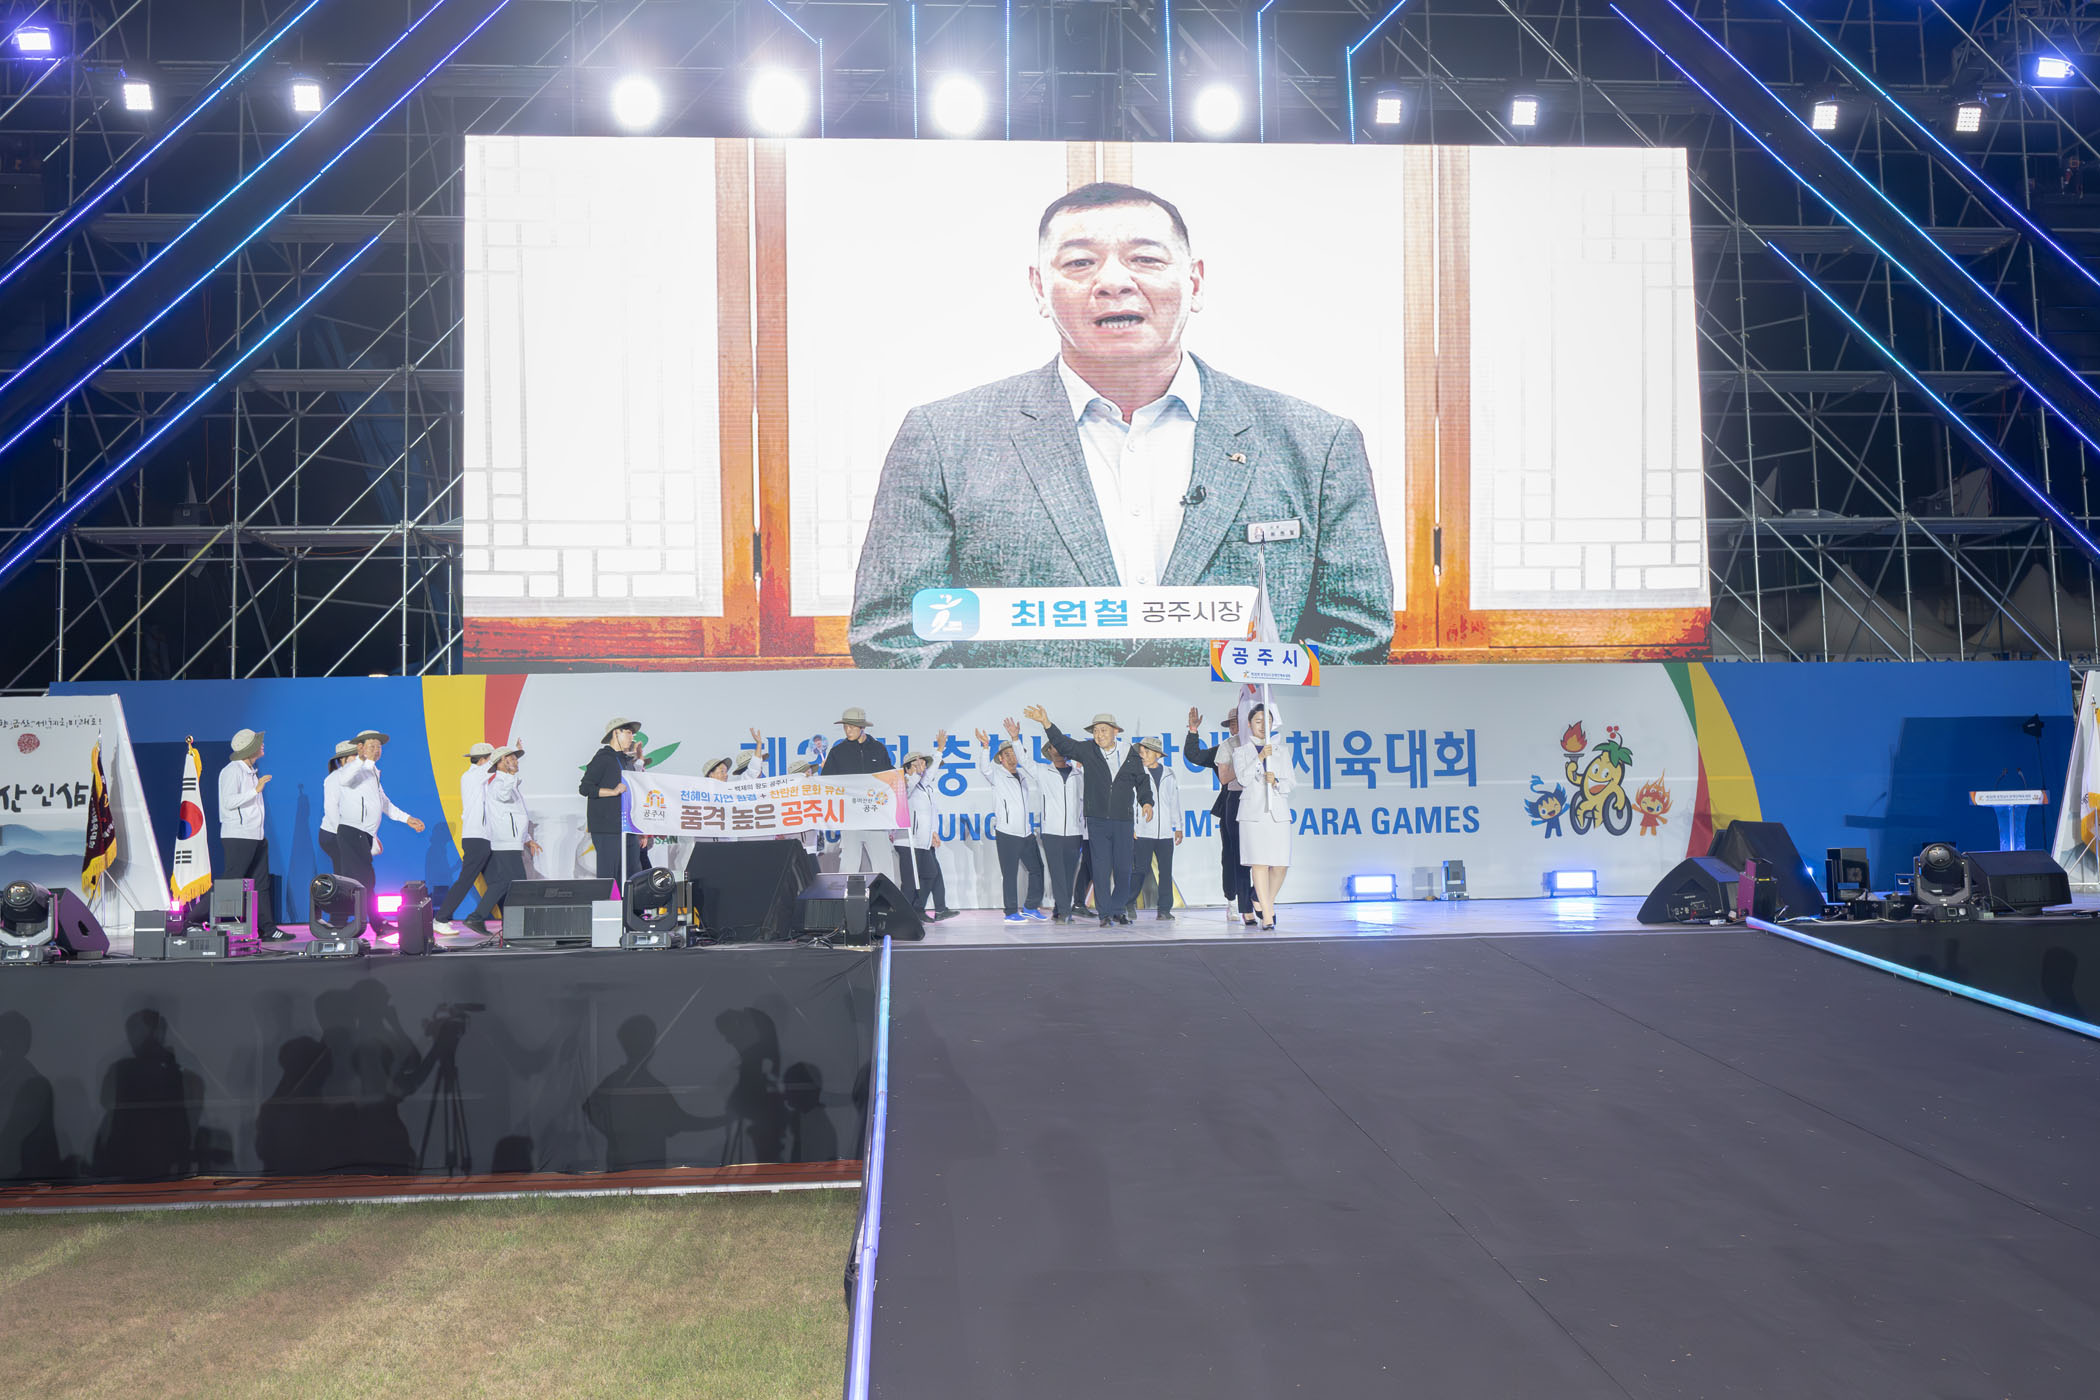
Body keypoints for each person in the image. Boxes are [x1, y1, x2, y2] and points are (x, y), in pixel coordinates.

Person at [850, 180, 1394, 669]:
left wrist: (1241, 732)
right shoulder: (943, 438)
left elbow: (1355, 635)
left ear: (1195, 282)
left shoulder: (1316, 444)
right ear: (1040, 289)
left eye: (1146, 259)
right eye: (1079, 263)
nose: (1113, 282)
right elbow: (896, 635)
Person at [1025, 706, 1153, 928]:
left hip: (1123, 820)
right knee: (1101, 869)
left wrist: (1147, 801)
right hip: (1097, 821)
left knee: (1123, 869)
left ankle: (1118, 910)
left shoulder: (1129, 753)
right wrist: (1046, 722)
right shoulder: (1088, 750)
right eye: (1095, 731)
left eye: (1103, 730)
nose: (1099, 735)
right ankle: (1105, 914)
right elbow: (1064, 744)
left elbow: (1141, 780)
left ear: (1115, 731)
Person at [335, 729, 426, 934]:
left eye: (379, 747)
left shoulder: (373, 772)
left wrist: (407, 818)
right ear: (360, 748)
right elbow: (344, 779)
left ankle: (350, 922)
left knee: (362, 881)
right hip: (352, 832)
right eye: (372, 746)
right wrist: (361, 759)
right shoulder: (353, 769)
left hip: (363, 835)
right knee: (365, 880)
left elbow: (384, 803)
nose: (377, 750)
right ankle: (372, 924)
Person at [1185, 707, 1256, 926]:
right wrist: (1193, 730)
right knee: (1231, 856)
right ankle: (1233, 901)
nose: (1235, 727)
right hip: (1230, 806)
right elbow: (1194, 756)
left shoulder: (1260, 746)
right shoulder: (1224, 748)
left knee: (1258, 856)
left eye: (1238, 723)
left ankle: (1256, 898)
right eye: (1231, 724)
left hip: (1256, 806)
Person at [464, 744, 538, 943]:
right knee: (516, 884)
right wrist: (510, 775)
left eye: (515, 758)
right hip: (505, 843)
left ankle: (508, 924)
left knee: (508, 883)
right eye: (511, 758)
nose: (515, 761)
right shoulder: (499, 783)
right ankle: (484, 918)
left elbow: (517, 815)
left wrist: (527, 839)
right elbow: (503, 795)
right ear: (501, 763)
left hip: (511, 842)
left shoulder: (508, 783)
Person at [217, 728, 284, 940]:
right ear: (248, 748)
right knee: (231, 882)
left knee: (261, 883)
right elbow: (228, 802)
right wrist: (255, 790)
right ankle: (193, 919)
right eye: (258, 742)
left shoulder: (250, 771)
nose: (262, 745)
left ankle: (268, 929)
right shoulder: (232, 771)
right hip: (238, 836)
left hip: (256, 836)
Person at [978, 719, 1048, 924]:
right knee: (1009, 874)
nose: (1012, 757)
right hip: (1007, 833)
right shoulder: (996, 775)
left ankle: (1030, 907)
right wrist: (985, 747)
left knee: (1037, 869)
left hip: (1026, 832)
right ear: (1000, 758)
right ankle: (1010, 912)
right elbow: (984, 768)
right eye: (1007, 754)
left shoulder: (1023, 776)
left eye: (1014, 753)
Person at [1233, 703, 1295, 930]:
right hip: (1253, 814)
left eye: (1267, 722)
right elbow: (1243, 779)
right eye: (1258, 721)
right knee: (1259, 863)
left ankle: (1262, 900)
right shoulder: (1241, 752)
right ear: (1249, 724)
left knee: (1280, 865)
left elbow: (1291, 783)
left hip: (1277, 813)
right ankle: (1267, 915)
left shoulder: (1282, 751)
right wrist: (1259, 758)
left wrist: (1276, 782)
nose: (1262, 726)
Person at [821, 706, 897, 880]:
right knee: (848, 865)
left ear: (862, 727)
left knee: (884, 865)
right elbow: (826, 782)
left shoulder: (878, 749)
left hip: (876, 817)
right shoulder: (838, 752)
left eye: (851, 726)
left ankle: (886, 897)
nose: (847, 730)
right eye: (845, 726)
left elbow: (889, 775)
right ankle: (846, 897)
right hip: (850, 818)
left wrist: (902, 778)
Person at [433, 741, 495, 933]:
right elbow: (492, 767)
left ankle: (479, 918)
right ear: (483, 760)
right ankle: (440, 918)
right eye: (491, 758)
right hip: (476, 838)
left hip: (484, 837)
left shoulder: (479, 779)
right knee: (466, 880)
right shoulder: (472, 776)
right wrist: (512, 752)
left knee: (498, 881)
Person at [892, 739, 957, 921]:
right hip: (907, 841)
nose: (922, 768)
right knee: (910, 883)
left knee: (929, 874)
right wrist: (916, 772)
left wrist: (939, 751)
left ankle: (917, 910)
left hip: (922, 842)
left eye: (923, 764)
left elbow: (931, 772)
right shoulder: (903, 784)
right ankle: (904, 918)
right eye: (917, 765)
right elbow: (907, 789)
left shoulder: (924, 786)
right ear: (907, 768)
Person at [1026, 736, 1087, 922]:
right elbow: (1024, 760)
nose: (1058, 751)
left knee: (1069, 874)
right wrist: (1014, 738)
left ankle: (1059, 910)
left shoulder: (1079, 775)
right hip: (1052, 831)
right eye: (1054, 747)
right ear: (1049, 752)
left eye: (1062, 747)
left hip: (1075, 831)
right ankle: (1065, 912)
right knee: (1057, 873)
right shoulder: (1042, 771)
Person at [580, 717, 645, 882]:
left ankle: (629, 900)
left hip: (627, 828)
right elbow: (585, 788)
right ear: (616, 733)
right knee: (610, 876)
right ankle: (609, 900)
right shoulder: (603, 758)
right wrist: (613, 791)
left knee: (632, 875)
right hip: (607, 828)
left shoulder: (626, 761)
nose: (632, 737)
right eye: (628, 732)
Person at [1131, 737, 1182, 921]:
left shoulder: (1169, 774)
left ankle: (1164, 909)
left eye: (1147, 752)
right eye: (1141, 752)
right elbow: (1131, 802)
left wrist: (1178, 826)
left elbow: (1174, 801)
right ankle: (1128, 904)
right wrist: (1132, 826)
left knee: (1166, 871)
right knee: (1139, 869)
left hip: (1165, 832)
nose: (1143, 755)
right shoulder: (1136, 774)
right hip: (1143, 830)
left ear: (1158, 755)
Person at [318, 739, 356, 872]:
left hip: (348, 833)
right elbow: (331, 809)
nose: (358, 759)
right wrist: (343, 836)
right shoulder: (334, 778)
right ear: (343, 759)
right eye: (354, 755)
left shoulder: (356, 777)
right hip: (334, 834)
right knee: (345, 872)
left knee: (350, 871)